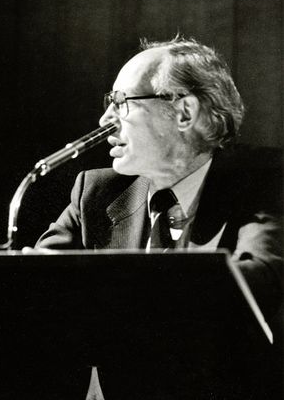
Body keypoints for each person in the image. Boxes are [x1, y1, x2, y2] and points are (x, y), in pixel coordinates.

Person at [36, 36, 282, 398]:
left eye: (122, 102)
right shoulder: (95, 192)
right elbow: (36, 286)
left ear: (184, 113)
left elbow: (258, 282)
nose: (106, 119)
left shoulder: (269, 181)